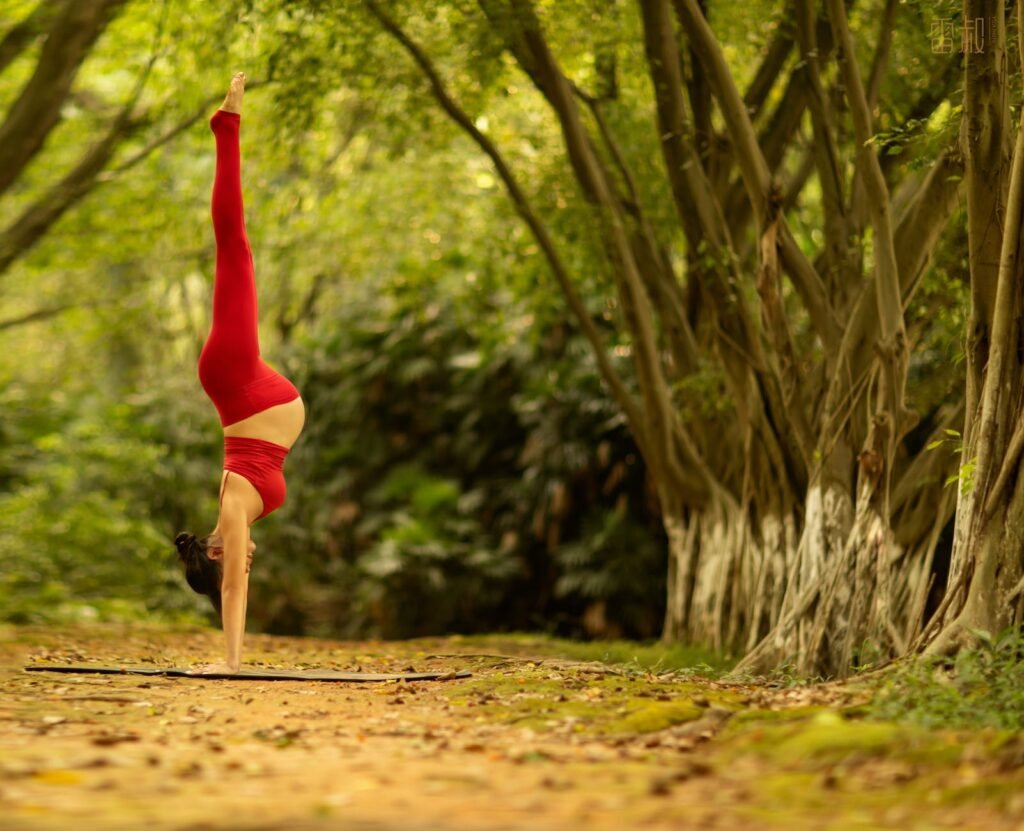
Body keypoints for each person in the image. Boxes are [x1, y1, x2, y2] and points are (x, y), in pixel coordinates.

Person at [174, 73, 306, 675]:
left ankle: (226, 128)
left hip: (236, 377)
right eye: (244, 563)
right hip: (243, 386)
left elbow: (232, 593)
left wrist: (231, 662)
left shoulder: (231, 511)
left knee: (235, 247)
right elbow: (232, 579)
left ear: (219, 548)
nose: (245, 563)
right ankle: (226, 129)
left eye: (235, 560)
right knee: (236, 250)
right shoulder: (239, 511)